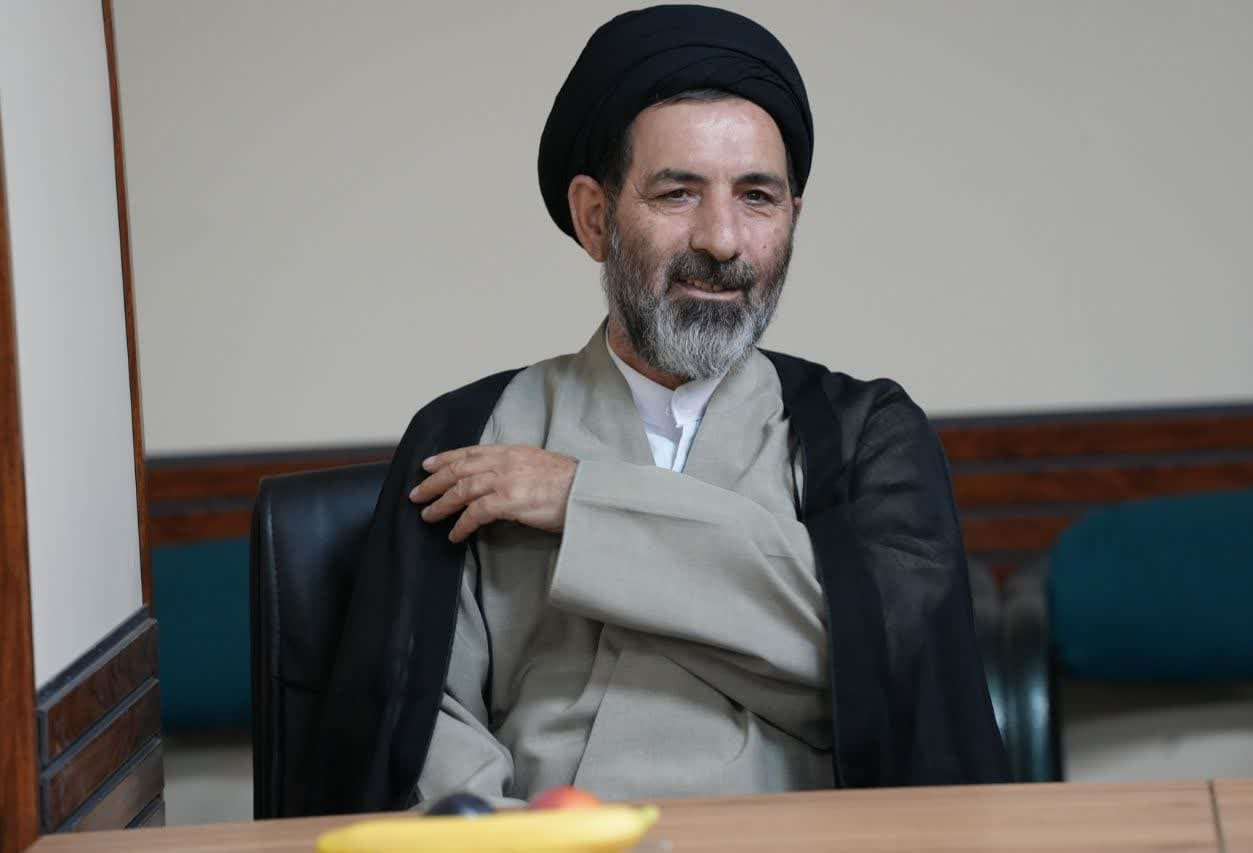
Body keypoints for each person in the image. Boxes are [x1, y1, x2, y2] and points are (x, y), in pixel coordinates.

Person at [308, 4, 1008, 814]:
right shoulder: (473, 432)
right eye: (678, 193)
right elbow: (419, 719)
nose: (722, 239)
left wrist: (582, 500)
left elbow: (882, 665)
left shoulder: (866, 437)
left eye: (757, 197)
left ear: (793, 218)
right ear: (595, 218)